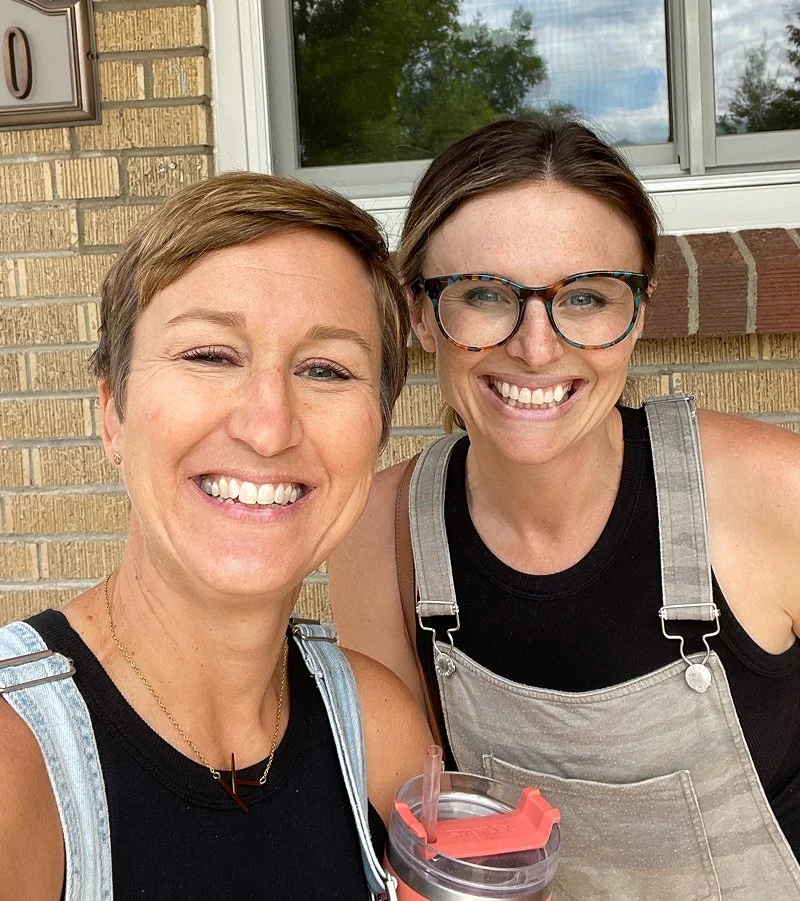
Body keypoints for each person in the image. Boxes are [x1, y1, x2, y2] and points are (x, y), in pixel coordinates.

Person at [329, 117, 800, 899]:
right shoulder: (382, 535)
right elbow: (422, 839)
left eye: (584, 297)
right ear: (420, 314)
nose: (537, 348)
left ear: (639, 313)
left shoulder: (773, 491)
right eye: (484, 293)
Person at [0, 172, 431, 901]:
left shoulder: (377, 727)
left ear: (377, 432)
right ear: (114, 413)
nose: (267, 426)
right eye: (210, 355)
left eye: (325, 369)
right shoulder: (19, 765)